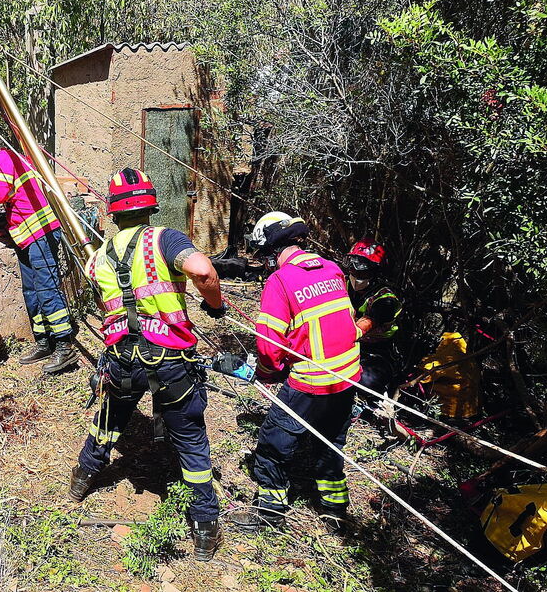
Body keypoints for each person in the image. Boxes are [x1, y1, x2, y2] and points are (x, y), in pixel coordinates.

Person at [68, 168, 226, 561]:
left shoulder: (99, 256)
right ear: (150, 206)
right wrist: (215, 304)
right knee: (190, 442)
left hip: (121, 357)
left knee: (109, 418)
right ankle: (205, 531)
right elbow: (203, 270)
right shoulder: (165, 238)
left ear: (113, 211)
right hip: (170, 359)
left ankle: (80, 482)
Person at [230, 212, 361, 532]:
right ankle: (335, 510)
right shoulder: (332, 269)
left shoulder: (281, 281)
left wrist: (268, 373)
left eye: (263, 256)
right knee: (330, 442)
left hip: (311, 382)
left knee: (274, 443)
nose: (264, 263)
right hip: (347, 377)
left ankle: (270, 512)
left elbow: (268, 344)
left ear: (271, 252)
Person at [0, 145, 78, 374]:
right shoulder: (10, 162)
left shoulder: (4, 157)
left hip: (40, 233)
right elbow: (15, 197)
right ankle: (43, 341)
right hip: (26, 237)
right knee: (32, 292)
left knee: (47, 290)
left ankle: (64, 345)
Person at [345, 238, 403, 397]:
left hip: (376, 352)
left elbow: (362, 326)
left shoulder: (386, 300)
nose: (355, 273)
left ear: (375, 272)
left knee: (364, 382)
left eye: (362, 270)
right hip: (346, 345)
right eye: (352, 268)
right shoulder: (344, 283)